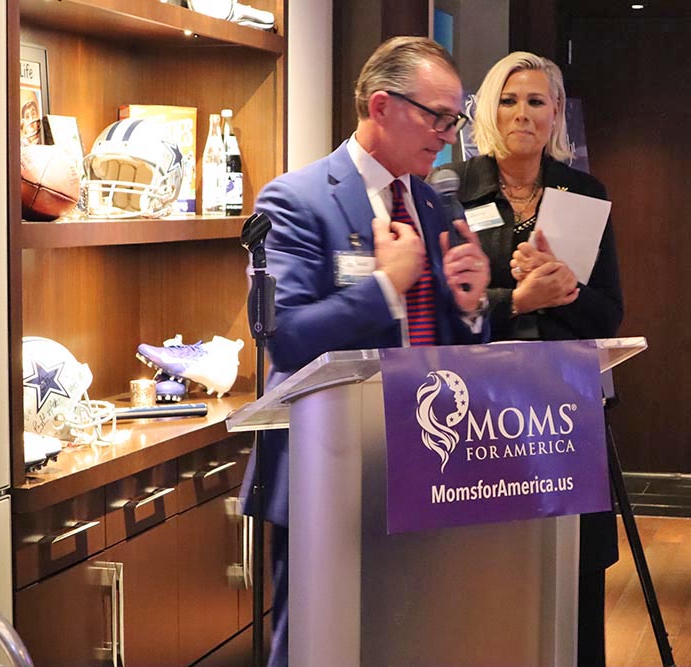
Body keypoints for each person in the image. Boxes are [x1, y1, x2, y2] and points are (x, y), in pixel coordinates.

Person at [239, 36, 491, 667]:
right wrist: (385, 287)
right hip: (330, 467)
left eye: (455, 120)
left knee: (413, 641)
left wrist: (471, 308)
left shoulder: (432, 203)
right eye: (438, 117)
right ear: (381, 106)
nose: (448, 135)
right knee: (317, 646)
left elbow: (448, 346)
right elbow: (284, 335)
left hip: (428, 466)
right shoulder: (296, 199)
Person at [431, 51, 623, 667]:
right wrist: (518, 299)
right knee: (484, 575)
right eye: (508, 100)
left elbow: (608, 314)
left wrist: (566, 291)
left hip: (563, 413)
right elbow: (437, 308)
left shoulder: (584, 193)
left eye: (537, 101)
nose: (522, 114)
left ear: (556, 113)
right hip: (476, 416)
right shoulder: (449, 189)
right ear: (487, 110)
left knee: (575, 575)